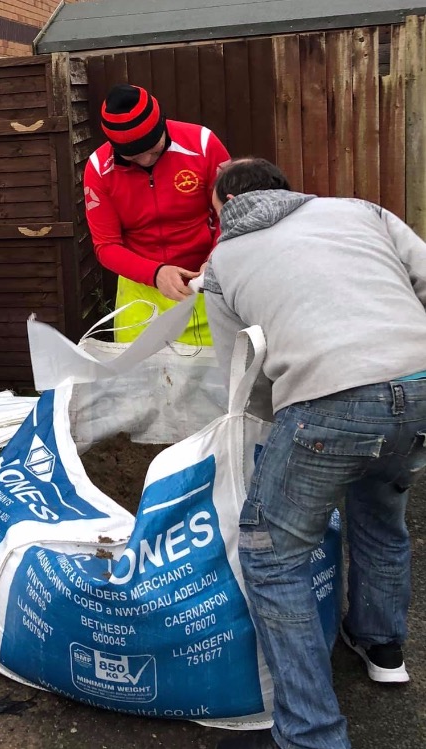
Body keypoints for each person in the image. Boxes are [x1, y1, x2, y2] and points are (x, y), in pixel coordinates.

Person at [203, 157, 426, 749]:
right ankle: (382, 648)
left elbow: (241, 376)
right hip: (421, 387)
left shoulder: (223, 260)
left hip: (326, 400)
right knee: (380, 510)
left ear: (226, 205)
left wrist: (280, 431)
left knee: (272, 558)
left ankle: (310, 735)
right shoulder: (361, 211)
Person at [83, 84, 230, 345]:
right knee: (137, 370)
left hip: (205, 283)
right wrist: (155, 273)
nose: (146, 161)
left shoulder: (203, 143)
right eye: (133, 157)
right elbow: (106, 246)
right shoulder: (98, 168)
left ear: (163, 125)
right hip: (140, 293)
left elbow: (230, 214)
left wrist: (216, 260)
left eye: (153, 150)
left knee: (212, 368)